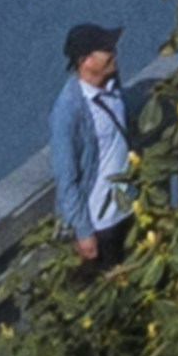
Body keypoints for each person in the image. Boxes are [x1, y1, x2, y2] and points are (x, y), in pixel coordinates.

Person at [52, 23, 137, 272]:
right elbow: (66, 177)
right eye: (106, 49)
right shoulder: (68, 111)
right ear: (85, 61)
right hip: (101, 223)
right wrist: (83, 231)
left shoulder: (113, 85)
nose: (114, 53)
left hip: (129, 207)